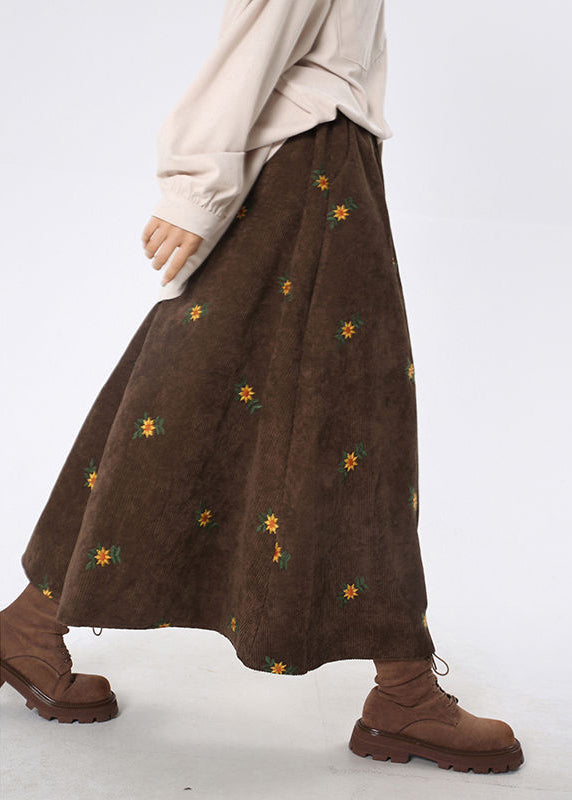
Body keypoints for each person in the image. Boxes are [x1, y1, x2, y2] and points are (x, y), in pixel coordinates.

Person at [0, 0, 524, 774]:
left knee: (203, 396)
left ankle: (31, 622)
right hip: (311, 169)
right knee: (349, 418)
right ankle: (405, 692)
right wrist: (194, 187)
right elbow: (256, 40)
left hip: (323, 163)